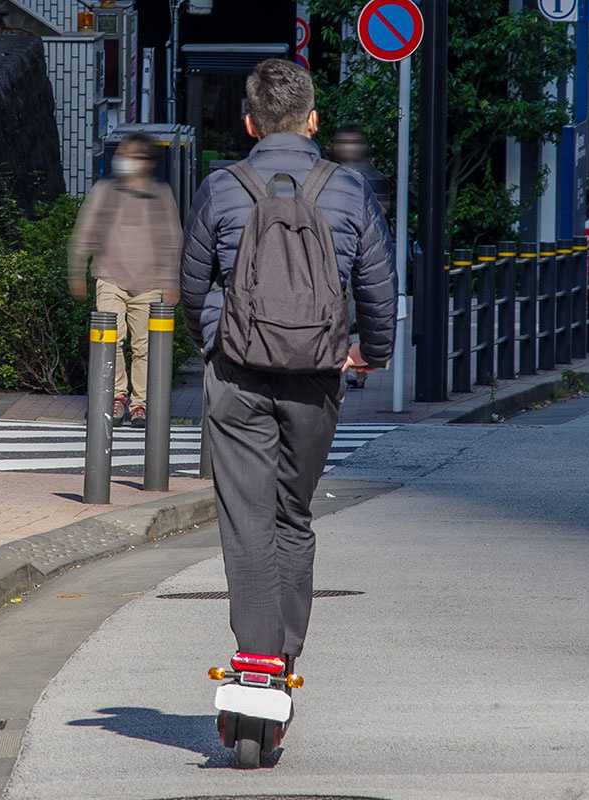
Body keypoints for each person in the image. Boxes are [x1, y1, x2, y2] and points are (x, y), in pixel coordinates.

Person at [180, 58, 396, 678]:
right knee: (292, 515)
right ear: (313, 120)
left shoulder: (222, 186)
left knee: (246, 518)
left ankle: (256, 653)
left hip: (237, 373)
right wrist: (369, 351)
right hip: (317, 374)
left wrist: (214, 340)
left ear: (250, 123)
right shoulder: (348, 189)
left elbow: (191, 286)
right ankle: (285, 654)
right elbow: (378, 286)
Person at [68, 131, 183, 428]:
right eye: (122, 154)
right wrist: (77, 271)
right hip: (110, 277)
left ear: (147, 161)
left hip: (149, 283)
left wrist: (172, 281)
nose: (124, 160)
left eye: (131, 155)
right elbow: (85, 231)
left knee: (144, 347)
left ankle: (140, 403)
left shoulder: (160, 195)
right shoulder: (104, 191)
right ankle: (116, 396)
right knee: (111, 339)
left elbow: (172, 239)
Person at [331, 124, 390, 389]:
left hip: (364, 251)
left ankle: (359, 369)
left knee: (359, 308)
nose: (348, 148)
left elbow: (383, 211)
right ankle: (347, 366)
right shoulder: (332, 175)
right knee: (343, 308)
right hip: (344, 250)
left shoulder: (373, 177)